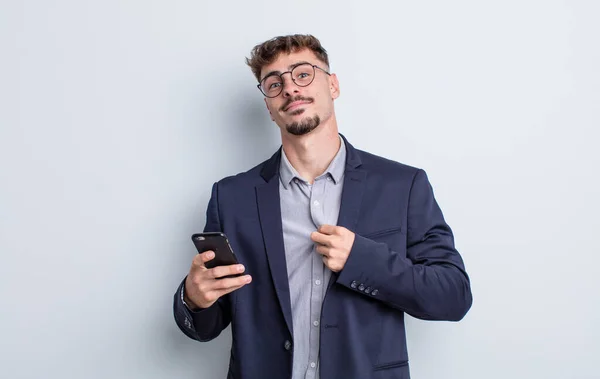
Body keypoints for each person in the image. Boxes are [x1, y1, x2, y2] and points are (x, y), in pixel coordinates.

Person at [173, 34, 472, 379]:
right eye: (274, 84)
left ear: (333, 85)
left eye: (303, 74)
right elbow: (209, 324)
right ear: (269, 108)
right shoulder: (231, 197)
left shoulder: (402, 186)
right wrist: (194, 299)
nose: (289, 89)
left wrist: (361, 260)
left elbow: (453, 295)